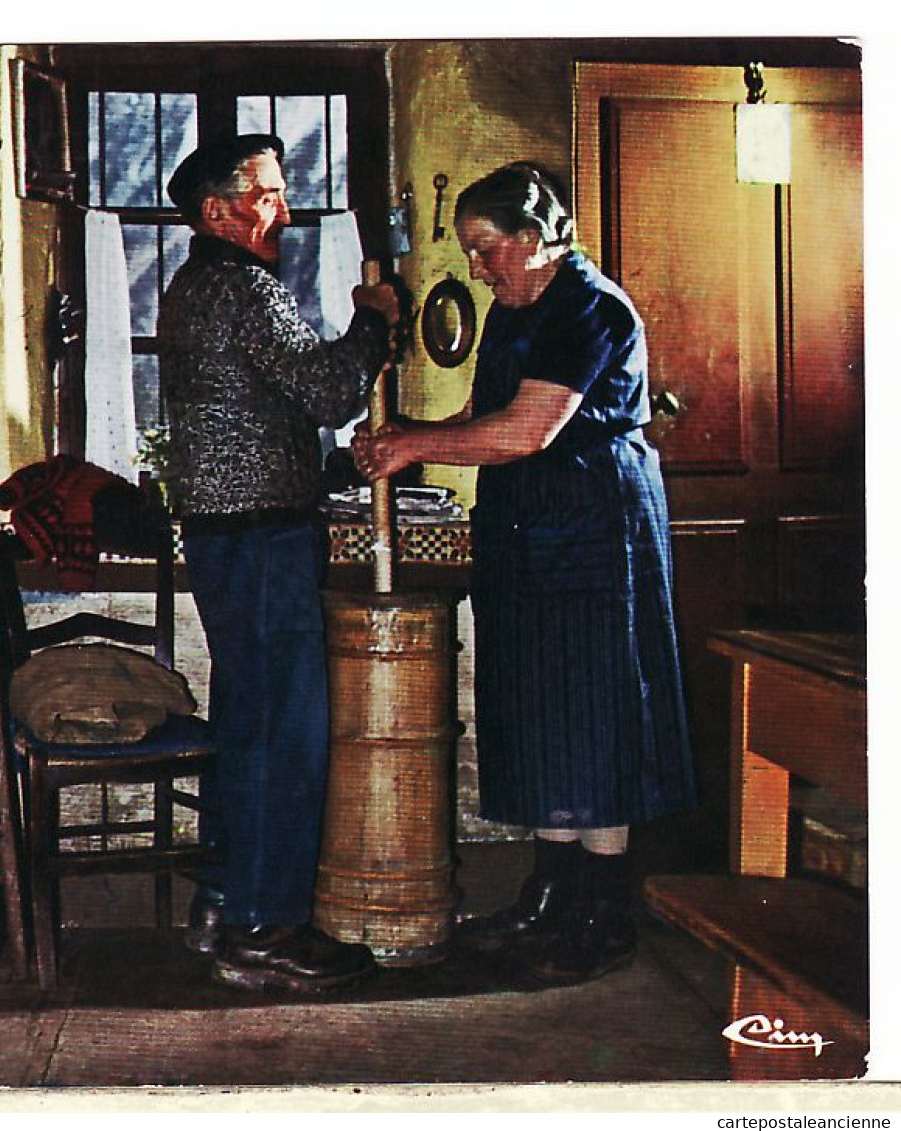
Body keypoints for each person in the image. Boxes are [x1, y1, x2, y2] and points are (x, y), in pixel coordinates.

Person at [352, 161, 696, 985]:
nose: (475, 267)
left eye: (486, 248)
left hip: (593, 527)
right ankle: (550, 895)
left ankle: (601, 912)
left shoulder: (591, 308)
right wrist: (409, 430)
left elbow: (530, 430)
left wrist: (412, 446)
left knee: (596, 713)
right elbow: (483, 417)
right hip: (524, 525)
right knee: (543, 711)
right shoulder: (513, 308)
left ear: (537, 239)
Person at [158, 134, 403, 993]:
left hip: (234, 534)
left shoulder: (197, 286)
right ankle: (266, 929)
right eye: (267, 194)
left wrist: (324, 466)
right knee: (283, 736)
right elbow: (331, 390)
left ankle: (229, 902)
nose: (285, 211)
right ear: (218, 211)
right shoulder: (240, 286)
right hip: (261, 541)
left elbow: (256, 414)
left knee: (249, 725)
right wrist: (376, 317)